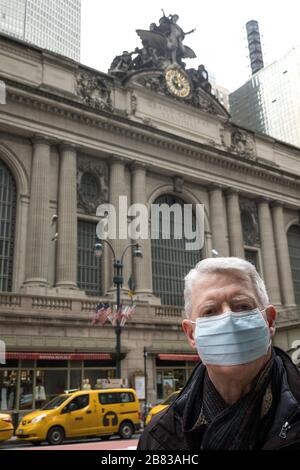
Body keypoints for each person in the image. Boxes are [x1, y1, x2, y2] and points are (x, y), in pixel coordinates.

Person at [138, 257, 300, 450]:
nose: (228, 320)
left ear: (270, 321)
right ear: (191, 334)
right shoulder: (157, 438)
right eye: (210, 311)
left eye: (243, 306)